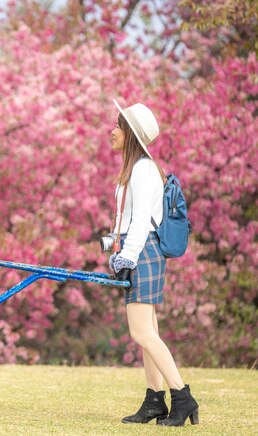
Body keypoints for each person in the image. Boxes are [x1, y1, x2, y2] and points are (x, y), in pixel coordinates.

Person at [107, 99, 199, 427]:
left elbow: (143, 221)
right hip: (140, 252)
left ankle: (183, 397)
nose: (112, 131)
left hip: (143, 252)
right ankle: (154, 400)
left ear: (131, 133)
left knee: (142, 332)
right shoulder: (137, 168)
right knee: (150, 330)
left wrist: (126, 257)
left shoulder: (143, 169)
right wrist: (117, 248)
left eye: (118, 126)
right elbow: (129, 218)